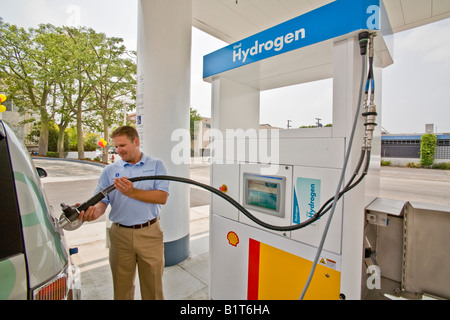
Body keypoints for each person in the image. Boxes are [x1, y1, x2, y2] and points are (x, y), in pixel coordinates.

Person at [77, 125, 170, 300]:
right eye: (116, 147)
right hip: (120, 235)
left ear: (136, 141)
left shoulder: (156, 165)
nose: (118, 150)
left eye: (122, 145)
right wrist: (93, 213)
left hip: (150, 233)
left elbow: (162, 197)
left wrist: (131, 192)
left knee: (154, 288)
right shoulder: (109, 171)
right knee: (122, 288)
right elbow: (102, 202)